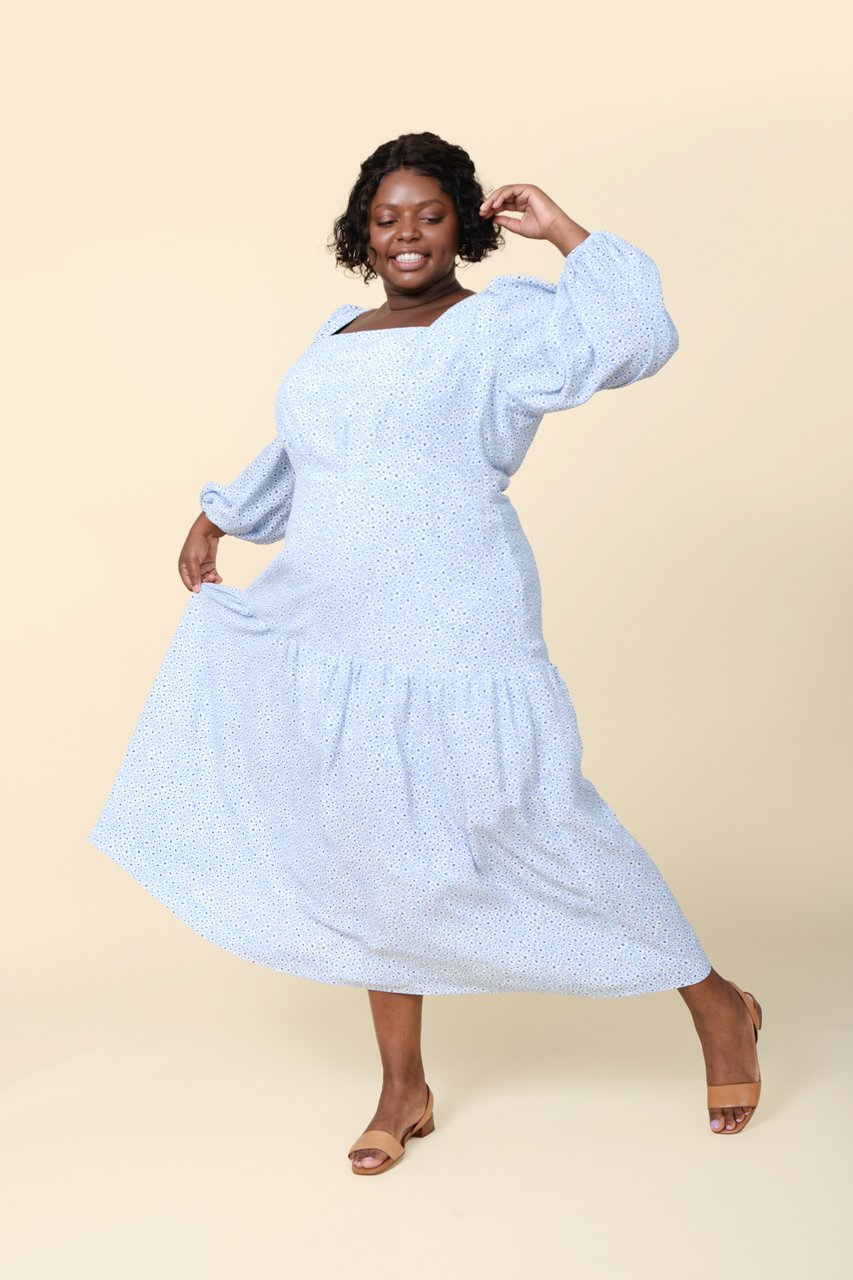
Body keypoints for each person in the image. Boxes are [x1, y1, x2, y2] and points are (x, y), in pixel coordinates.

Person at [88, 131, 763, 1177]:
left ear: (462, 226)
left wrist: (563, 231)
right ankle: (402, 1088)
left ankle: (716, 1004)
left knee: (534, 813)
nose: (406, 234)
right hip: (335, 616)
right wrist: (220, 515)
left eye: (429, 214)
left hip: (456, 611)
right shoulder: (337, 331)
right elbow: (308, 452)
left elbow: (634, 338)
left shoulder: (500, 325)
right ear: (362, 230)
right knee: (369, 843)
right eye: (387, 216)